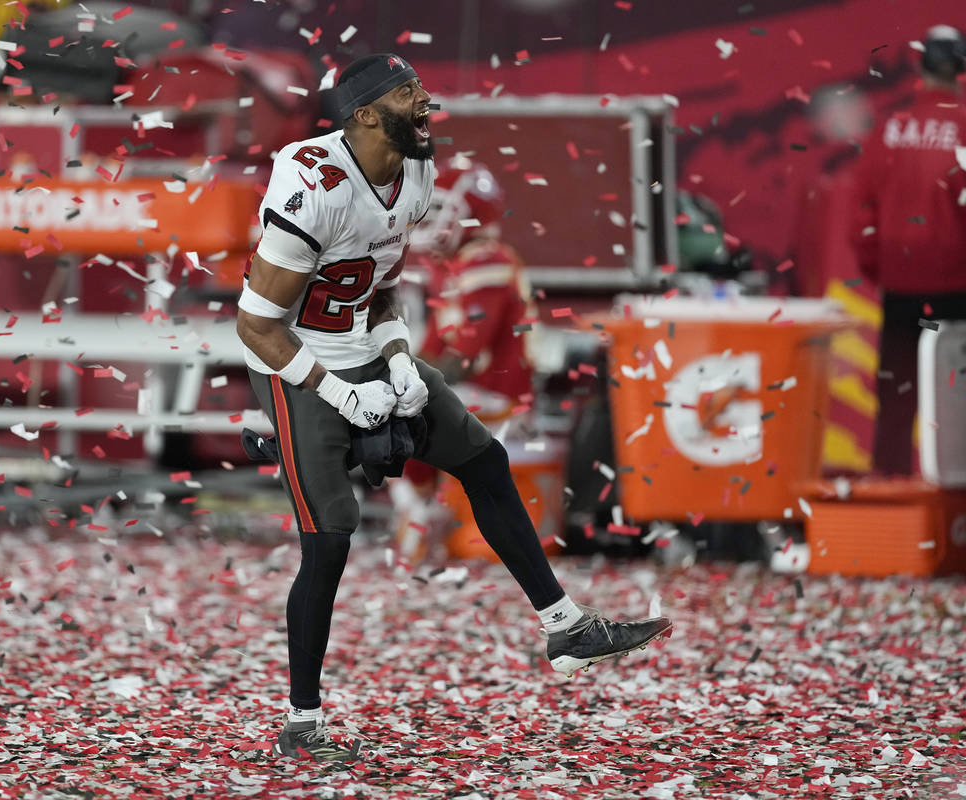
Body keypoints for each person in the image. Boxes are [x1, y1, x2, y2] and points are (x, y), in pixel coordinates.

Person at [235, 53, 672, 765]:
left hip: (363, 344)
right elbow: (257, 327)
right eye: (409, 93)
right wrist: (342, 392)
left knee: (483, 459)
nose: (426, 102)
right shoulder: (313, 186)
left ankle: (565, 627)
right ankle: (301, 722)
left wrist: (401, 356)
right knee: (331, 536)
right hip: (294, 364)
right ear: (365, 113)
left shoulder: (414, 174)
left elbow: (376, 290)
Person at [391, 156, 541, 563]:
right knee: (393, 410)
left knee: (409, 417)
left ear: (472, 213)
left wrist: (405, 388)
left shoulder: (488, 259)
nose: (428, 219)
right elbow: (434, 348)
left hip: (498, 395)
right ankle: (420, 514)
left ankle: (421, 521)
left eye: (440, 208)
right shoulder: (455, 267)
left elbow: (467, 352)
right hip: (476, 389)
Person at [851, 24, 966, 475]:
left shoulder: (891, 128)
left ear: (921, 67)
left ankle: (890, 500)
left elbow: (862, 214)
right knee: (956, 400)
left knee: (896, 403)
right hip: (956, 296)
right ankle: (957, 513)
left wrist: (883, 271)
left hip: (903, 295)